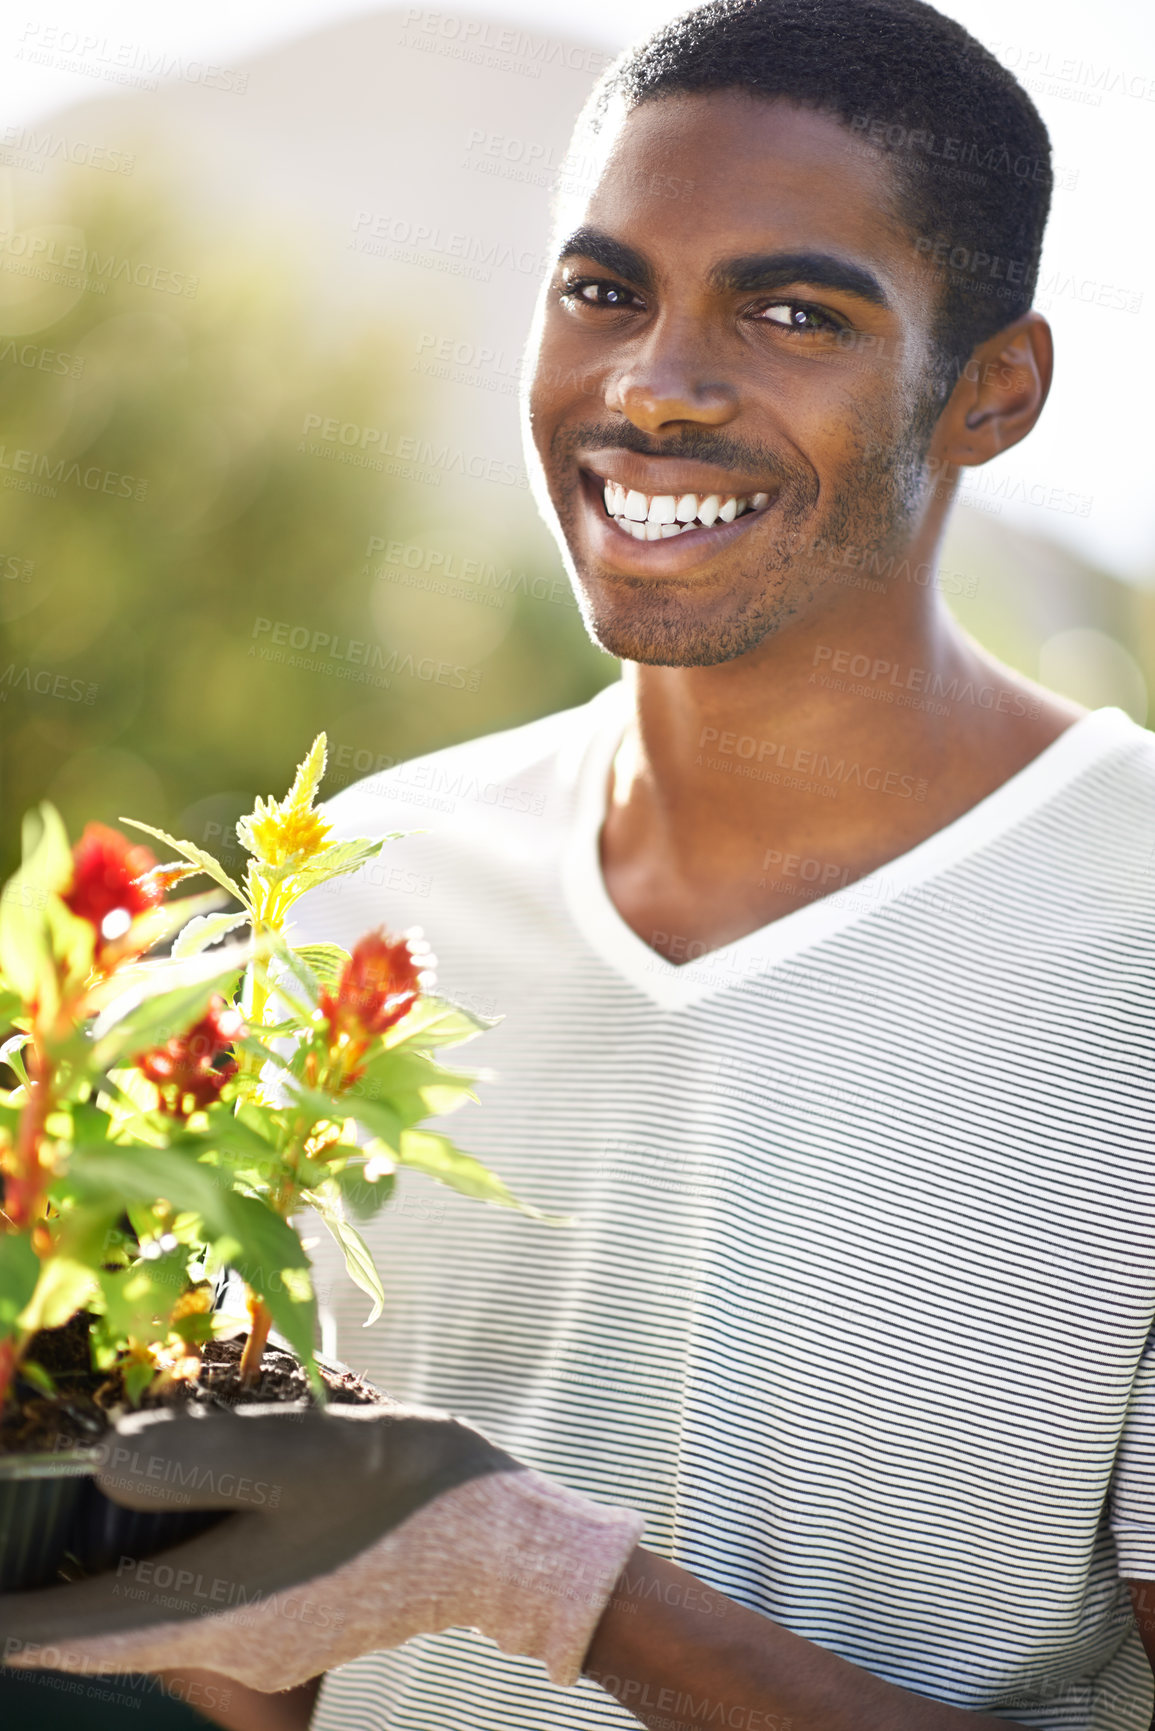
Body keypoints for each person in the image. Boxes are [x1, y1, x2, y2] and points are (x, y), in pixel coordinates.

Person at [3, 1, 1153, 1726]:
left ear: (993, 392)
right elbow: (289, 1678)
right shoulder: (353, 896)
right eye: (604, 291)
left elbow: (473, 1561)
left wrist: (536, 1572)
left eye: (792, 313)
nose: (657, 386)